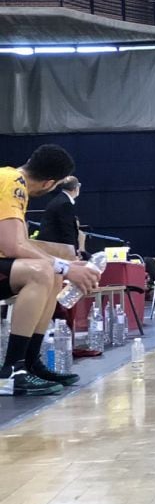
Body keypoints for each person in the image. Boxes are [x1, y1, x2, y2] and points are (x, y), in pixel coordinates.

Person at [1, 145, 100, 395]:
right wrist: (65, 266)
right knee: (42, 272)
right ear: (49, 184)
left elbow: (18, 244)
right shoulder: (12, 181)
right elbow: (13, 245)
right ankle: (11, 371)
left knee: (51, 273)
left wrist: (64, 267)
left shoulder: (13, 181)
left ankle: (29, 363)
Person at [35, 175, 81, 255]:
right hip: (55, 248)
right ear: (76, 188)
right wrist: (72, 253)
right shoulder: (65, 204)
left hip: (50, 246)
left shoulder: (59, 200)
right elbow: (67, 230)